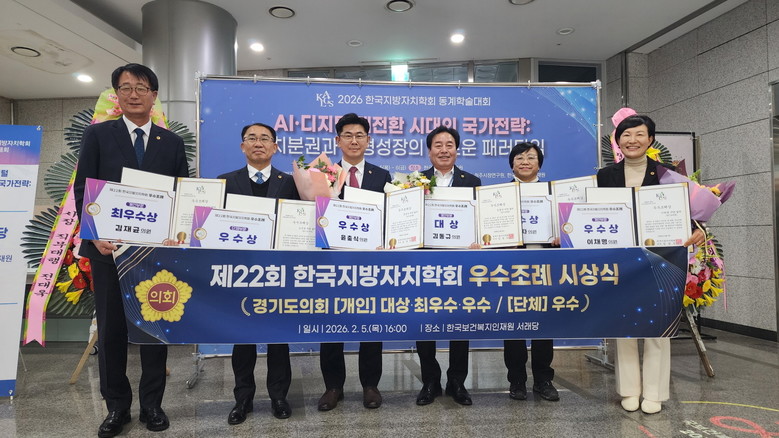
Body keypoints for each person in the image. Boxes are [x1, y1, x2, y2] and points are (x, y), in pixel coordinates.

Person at [74, 63, 189, 437]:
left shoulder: (171, 142)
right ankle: (116, 408)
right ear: (116, 95)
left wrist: (176, 233)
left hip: (154, 252)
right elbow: (83, 189)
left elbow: (181, 194)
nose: (133, 94)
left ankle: (152, 405)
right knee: (111, 330)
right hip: (107, 249)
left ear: (154, 96)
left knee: (154, 326)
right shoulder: (97, 135)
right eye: (125, 88)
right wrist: (94, 235)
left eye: (141, 88)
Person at [596, 114, 705, 414]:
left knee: (659, 325)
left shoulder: (669, 174)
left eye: (639, 134)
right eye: (626, 135)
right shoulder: (604, 176)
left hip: (661, 259)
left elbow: (690, 212)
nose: (632, 140)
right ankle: (629, 390)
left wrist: (699, 229)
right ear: (618, 141)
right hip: (620, 259)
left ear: (650, 139)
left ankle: (655, 393)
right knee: (625, 324)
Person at [217, 123, 298, 424]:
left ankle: (279, 396)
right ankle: (243, 399)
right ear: (243, 146)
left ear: (275, 147)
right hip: (240, 271)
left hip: (278, 271)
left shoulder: (291, 183)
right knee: (243, 338)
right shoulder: (225, 181)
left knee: (278, 337)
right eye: (252, 138)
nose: (258, 143)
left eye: (265, 138)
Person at [317, 113, 391, 411]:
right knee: (331, 325)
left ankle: (370, 385)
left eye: (360, 135)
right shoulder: (324, 173)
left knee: (371, 324)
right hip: (332, 262)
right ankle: (333, 387)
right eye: (347, 135)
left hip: (370, 263)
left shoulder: (381, 176)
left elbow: (390, 218)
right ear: (338, 140)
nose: (354, 140)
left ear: (368, 140)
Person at [416, 125, 481, 406]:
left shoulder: (472, 181)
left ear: (457, 149)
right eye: (438, 145)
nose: (444, 150)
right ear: (429, 151)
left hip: (460, 263)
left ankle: (457, 381)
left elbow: (480, 219)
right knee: (424, 322)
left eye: (449, 145)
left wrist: (478, 240)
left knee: (460, 322)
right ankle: (430, 381)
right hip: (425, 263)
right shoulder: (415, 181)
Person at [503, 142, 559, 402]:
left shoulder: (553, 194)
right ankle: (516, 380)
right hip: (510, 268)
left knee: (543, 326)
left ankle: (543, 379)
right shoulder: (499, 195)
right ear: (512, 164)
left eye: (531, 157)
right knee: (513, 328)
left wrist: (561, 236)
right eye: (519, 158)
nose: (525, 162)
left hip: (544, 267)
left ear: (539, 164)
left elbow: (568, 228)